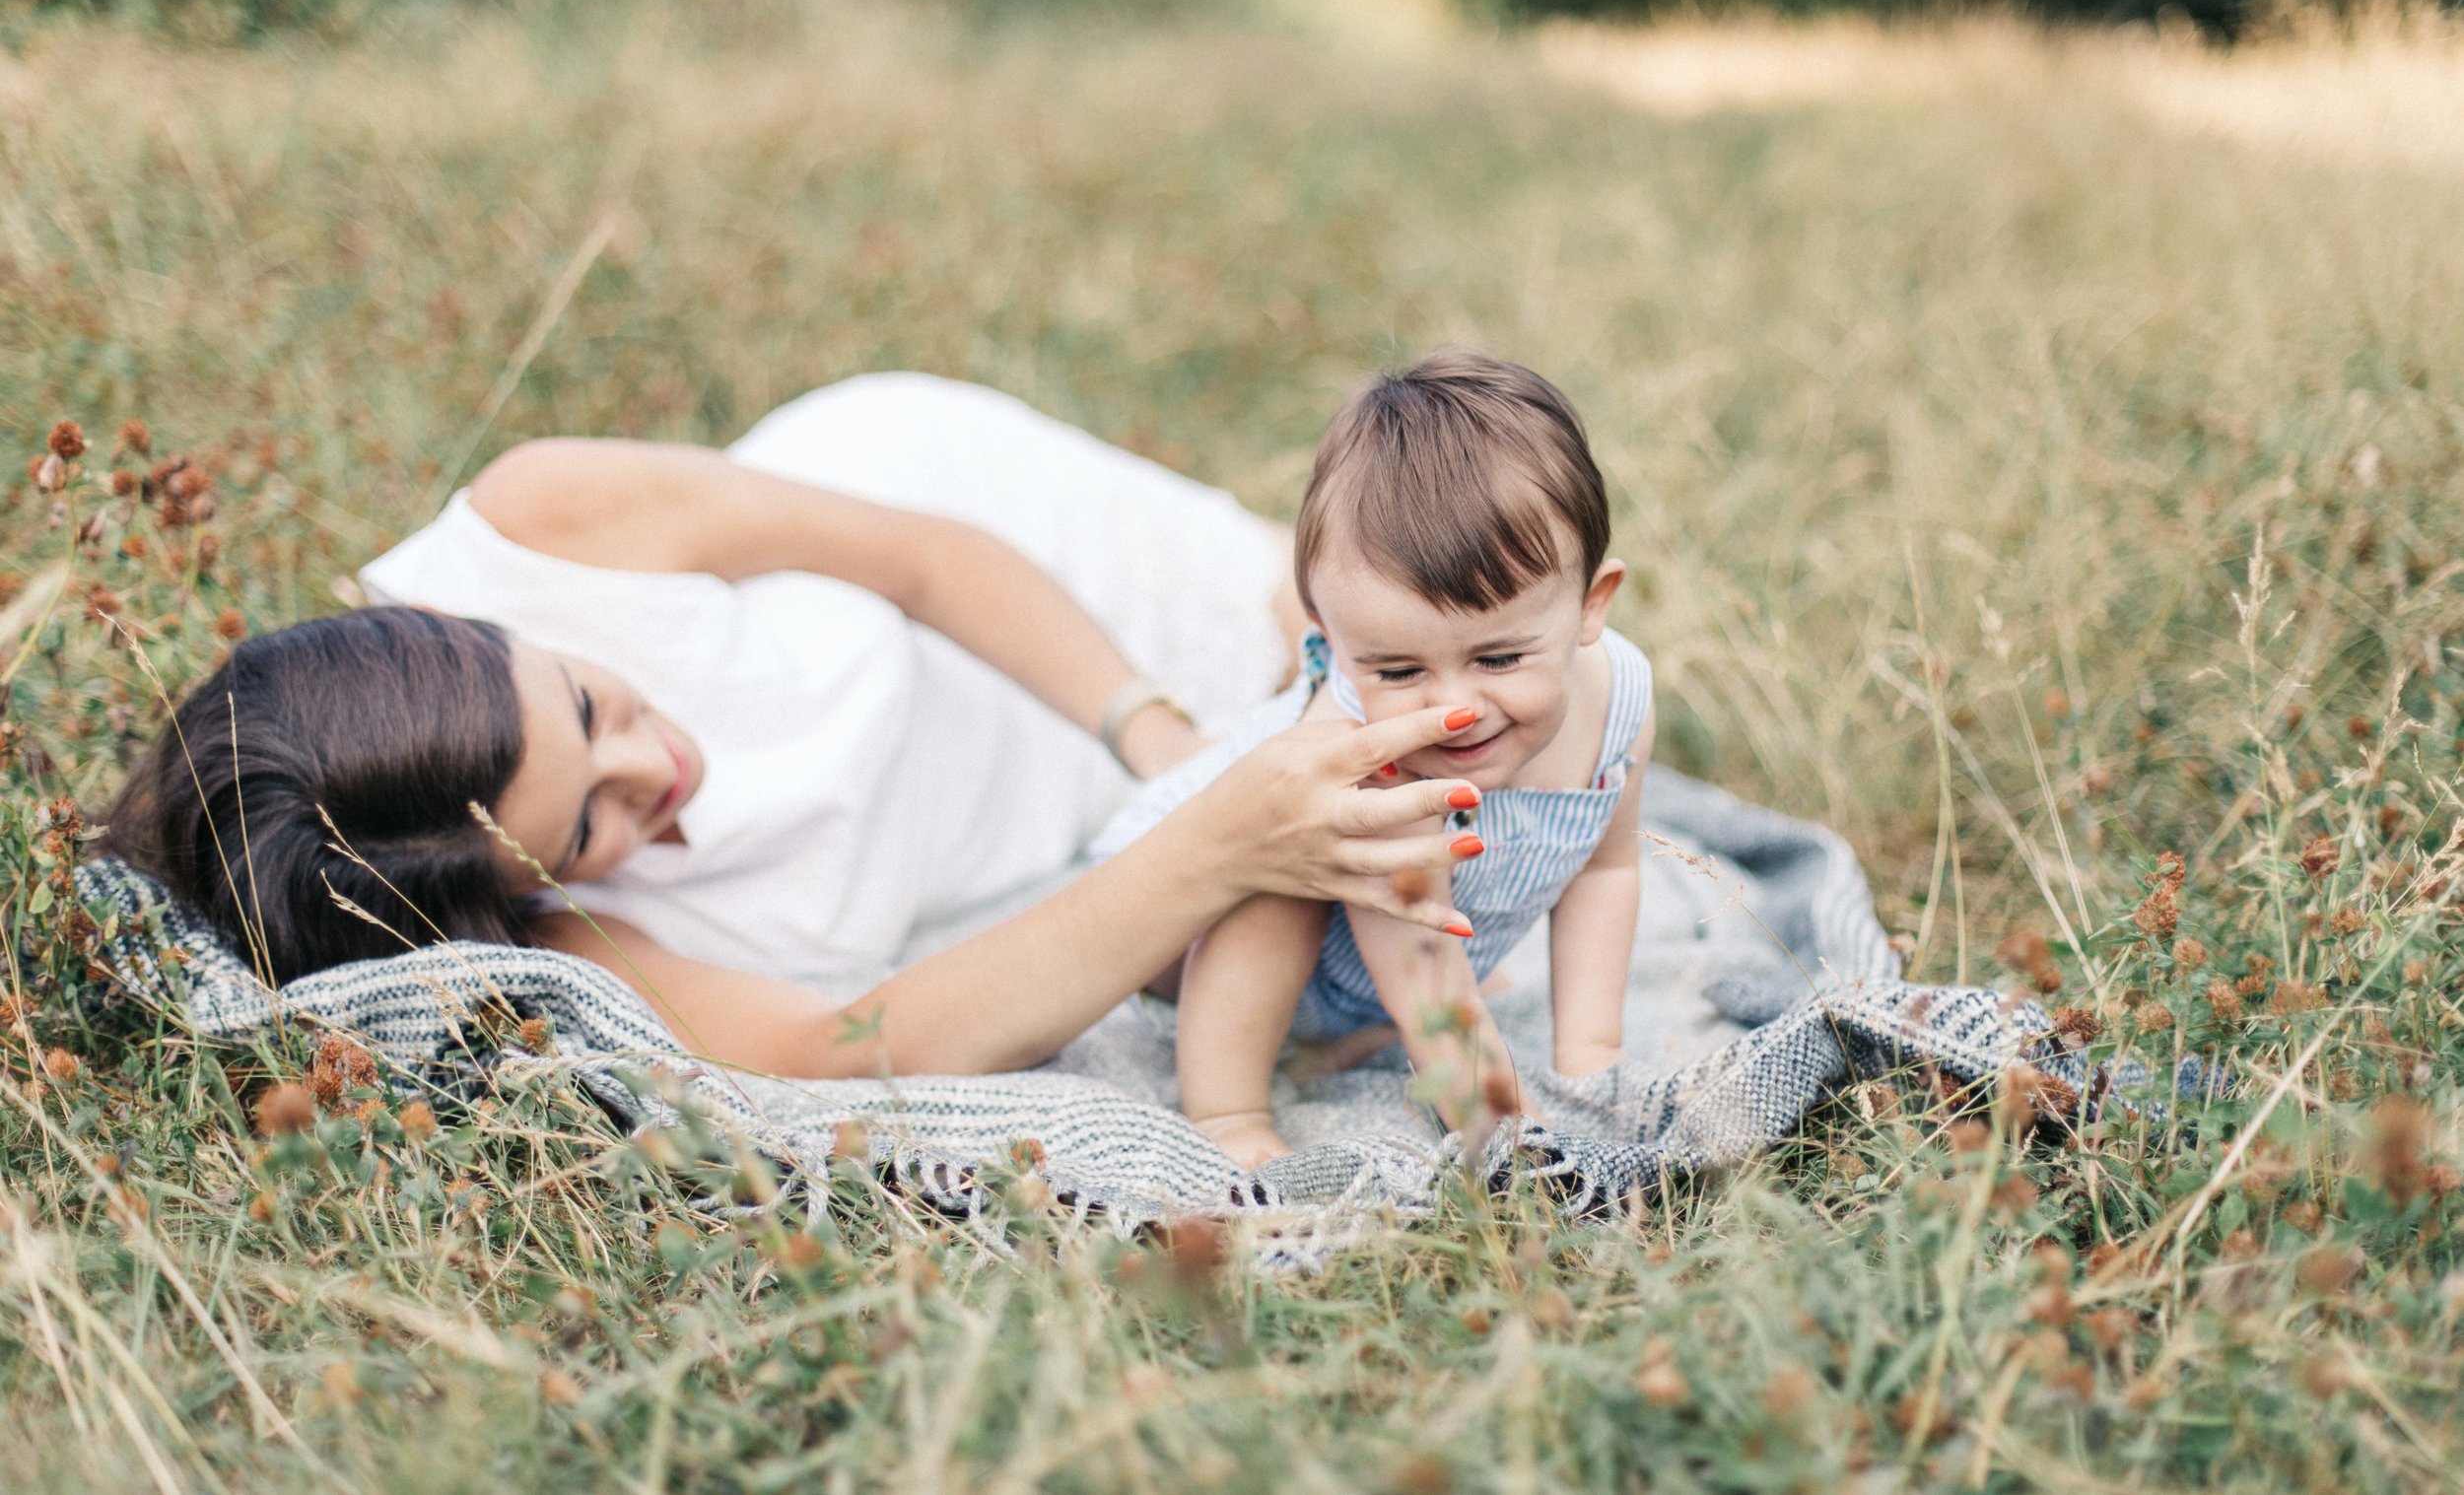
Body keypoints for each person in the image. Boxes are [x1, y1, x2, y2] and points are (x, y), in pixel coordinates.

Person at [105, 374, 1485, 1081]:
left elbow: (931, 562)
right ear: (512, 890)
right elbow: (848, 1045)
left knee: (1451, 636)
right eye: (589, 819)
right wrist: (1206, 844)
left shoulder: (541, 525)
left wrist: (1163, 741)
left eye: (591, 705)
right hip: (1042, 800)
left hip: (1039, 582)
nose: (660, 763)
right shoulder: (564, 942)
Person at [1092, 351, 1651, 1168]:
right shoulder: (1360, 757)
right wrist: (1513, 1145)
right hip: (1184, 931)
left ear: (1590, 607)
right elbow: (1428, 973)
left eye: (1499, 659)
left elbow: (1605, 871)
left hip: (1348, 977)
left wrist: (1593, 1064)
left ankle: (1343, 1029)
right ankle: (1229, 1107)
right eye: (1396, 670)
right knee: (1283, 871)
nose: (1451, 708)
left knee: (1393, 930)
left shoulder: (1623, 703)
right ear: (1329, 639)